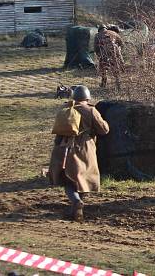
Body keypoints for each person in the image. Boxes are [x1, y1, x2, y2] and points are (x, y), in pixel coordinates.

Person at [48, 85, 110, 222]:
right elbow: (104, 130)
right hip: (85, 148)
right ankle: (77, 203)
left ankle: (75, 204)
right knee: (85, 178)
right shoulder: (91, 110)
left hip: (65, 147)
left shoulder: (65, 109)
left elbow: (58, 131)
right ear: (87, 98)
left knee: (68, 180)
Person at [94, 24, 124, 90]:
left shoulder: (97, 35)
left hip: (104, 53)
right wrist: (118, 51)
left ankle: (103, 83)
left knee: (103, 68)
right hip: (114, 53)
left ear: (99, 30)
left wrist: (99, 55)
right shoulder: (114, 33)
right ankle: (118, 85)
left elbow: (96, 48)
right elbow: (121, 43)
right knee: (115, 68)